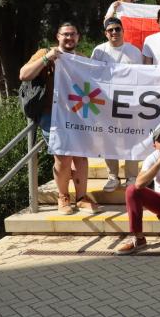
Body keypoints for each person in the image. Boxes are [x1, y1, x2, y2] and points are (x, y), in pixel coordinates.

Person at [19, 22, 101, 215]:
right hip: (52, 115)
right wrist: (48, 58)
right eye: (65, 34)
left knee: (81, 156)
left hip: (79, 115)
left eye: (73, 34)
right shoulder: (44, 53)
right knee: (63, 157)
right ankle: (63, 197)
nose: (69, 38)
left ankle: (81, 197)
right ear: (58, 36)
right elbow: (24, 74)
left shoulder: (81, 58)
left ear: (78, 37)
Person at [91, 18, 143, 192]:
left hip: (129, 102)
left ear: (123, 31)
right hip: (105, 103)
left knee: (131, 138)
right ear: (106, 33)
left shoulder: (134, 51)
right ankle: (112, 176)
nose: (114, 32)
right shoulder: (98, 51)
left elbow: (142, 77)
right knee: (108, 139)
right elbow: (92, 74)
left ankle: (132, 176)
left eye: (117, 29)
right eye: (111, 30)